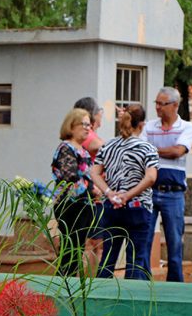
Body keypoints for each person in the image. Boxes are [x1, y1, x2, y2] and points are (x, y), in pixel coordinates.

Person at [92, 104, 159, 280]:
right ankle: (133, 301)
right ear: (142, 124)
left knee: (107, 258)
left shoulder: (108, 146)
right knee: (136, 260)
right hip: (138, 207)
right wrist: (128, 195)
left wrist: (109, 192)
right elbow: (151, 177)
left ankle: (99, 297)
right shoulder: (147, 148)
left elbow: (94, 172)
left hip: (112, 207)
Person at [142, 87, 192, 282]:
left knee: (174, 242)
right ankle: (143, 281)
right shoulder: (149, 126)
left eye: (162, 104)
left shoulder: (186, 127)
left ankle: (175, 283)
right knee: (145, 239)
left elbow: (178, 151)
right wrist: (162, 150)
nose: (157, 108)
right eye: (156, 103)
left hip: (174, 192)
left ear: (175, 105)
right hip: (149, 190)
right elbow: (141, 150)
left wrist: (152, 150)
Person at [51, 108, 95, 276]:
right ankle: (63, 286)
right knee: (70, 249)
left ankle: (71, 284)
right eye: (83, 124)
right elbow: (70, 176)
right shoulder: (66, 148)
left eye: (89, 125)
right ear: (71, 125)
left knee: (78, 249)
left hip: (83, 204)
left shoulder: (83, 149)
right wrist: (93, 189)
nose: (87, 128)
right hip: (70, 205)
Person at [73, 97, 105, 272]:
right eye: (99, 111)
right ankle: (90, 282)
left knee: (96, 243)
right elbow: (107, 149)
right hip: (91, 197)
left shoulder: (90, 135)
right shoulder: (88, 137)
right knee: (93, 243)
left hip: (96, 197)